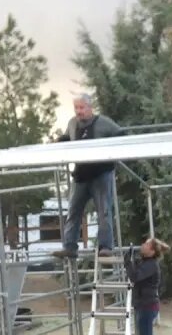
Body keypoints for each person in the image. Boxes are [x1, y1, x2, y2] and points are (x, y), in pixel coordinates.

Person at [52, 94, 124, 259]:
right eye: (76, 108)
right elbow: (67, 138)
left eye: (82, 107)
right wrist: (58, 142)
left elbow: (121, 134)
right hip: (81, 175)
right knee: (73, 211)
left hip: (101, 173)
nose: (79, 111)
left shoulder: (103, 123)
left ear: (90, 107)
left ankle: (105, 247)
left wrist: (111, 155)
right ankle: (69, 247)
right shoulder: (72, 123)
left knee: (104, 211)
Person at [125, 237, 170, 335]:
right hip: (144, 305)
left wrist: (128, 261)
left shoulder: (151, 265)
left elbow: (134, 276)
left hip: (147, 306)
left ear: (151, 251)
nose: (142, 245)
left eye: (146, 244)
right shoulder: (147, 263)